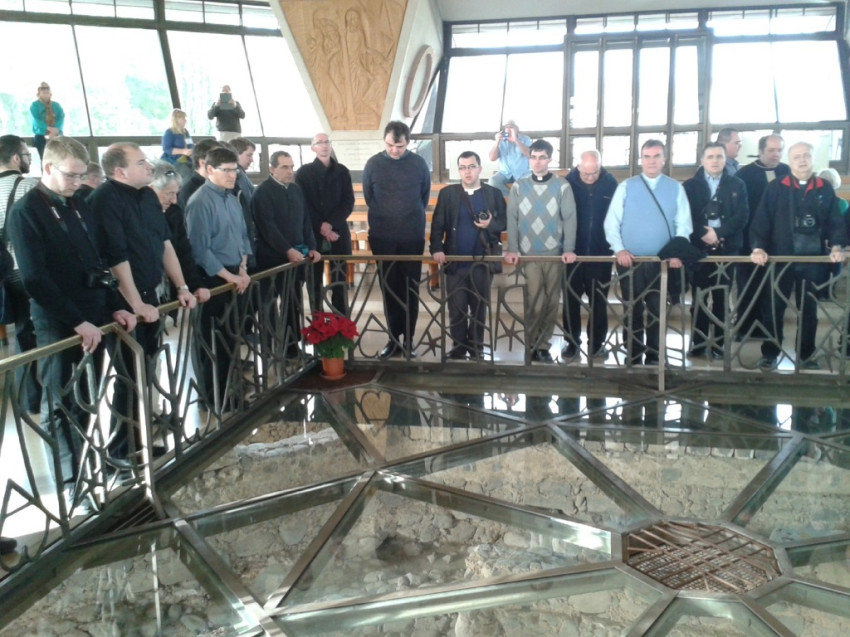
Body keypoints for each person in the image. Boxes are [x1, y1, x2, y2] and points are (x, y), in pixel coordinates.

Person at [6, 137, 136, 511]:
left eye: (82, 176)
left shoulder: (77, 202)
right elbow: (34, 278)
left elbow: (96, 261)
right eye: (71, 176)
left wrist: (117, 306)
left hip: (94, 314)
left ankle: (92, 467)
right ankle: (71, 485)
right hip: (58, 321)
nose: (78, 183)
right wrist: (77, 320)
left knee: (87, 399)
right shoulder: (26, 211)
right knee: (60, 404)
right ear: (47, 168)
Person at [91, 143, 197, 464]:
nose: (149, 166)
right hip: (122, 303)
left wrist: (181, 286)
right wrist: (135, 303)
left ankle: (141, 440)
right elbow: (116, 257)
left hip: (151, 295)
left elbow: (165, 244)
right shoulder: (104, 200)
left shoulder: (149, 197)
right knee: (127, 377)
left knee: (146, 371)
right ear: (119, 171)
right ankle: (120, 450)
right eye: (140, 163)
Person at [749, 141, 846, 370]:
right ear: (789, 161)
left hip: (812, 260)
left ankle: (806, 355)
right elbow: (762, 218)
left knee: (809, 309)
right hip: (780, 258)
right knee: (773, 307)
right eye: (797, 157)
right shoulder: (776, 187)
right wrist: (758, 247)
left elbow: (835, 221)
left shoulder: (824, 188)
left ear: (813, 159)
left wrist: (837, 246)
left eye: (806, 156)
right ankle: (770, 354)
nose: (802, 160)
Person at [603, 139, 692, 365]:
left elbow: (683, 225)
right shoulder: (626, 187)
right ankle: (632, 353)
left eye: (656, 156)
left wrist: (677, 253)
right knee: (631, 309)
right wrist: (619, 249)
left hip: (661, 263)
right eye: (647, 156)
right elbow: (612, 222)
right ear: (641, 160)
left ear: (664, 159)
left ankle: (654, 354)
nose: (651, 161)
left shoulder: (676, 188)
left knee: (656, 310)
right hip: (629, 261)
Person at [185, 147, 252, 409]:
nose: (233, 175)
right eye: (227, 170)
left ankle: (229, 393)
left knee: (231, 339)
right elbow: (200, 250)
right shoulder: (200, 202)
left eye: (235, 170)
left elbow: (243, 236)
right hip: (213, 278)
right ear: (210, 169)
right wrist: (229, 277)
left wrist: (242, 269)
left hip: (235, 274)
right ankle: (213, 399)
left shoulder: (231, 199)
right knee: (213, 342)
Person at [362, 121, 431, 359]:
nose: (394, 150)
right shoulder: (373, 164)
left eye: (400, 146)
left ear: (408, 143)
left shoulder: (418, 164)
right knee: (389, 288)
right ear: (384, 141)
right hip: (383, 237)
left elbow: (423, 197)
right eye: (390, 145)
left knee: (410, 288)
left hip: (412, 236)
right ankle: (393, 339)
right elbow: (370, 197)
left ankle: (409, 340)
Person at [504, 139, 577, 363]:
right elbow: (512, 218)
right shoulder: (519, 186)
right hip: (529, 254)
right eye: (533, 157)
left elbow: (570, 218)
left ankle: (543, 346)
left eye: (542, 157)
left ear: (550, 159)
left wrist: (568, 248)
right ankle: (532, 343)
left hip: (554, 253)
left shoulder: (562, 186)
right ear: (529, 159)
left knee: (552, 302)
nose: (537, 162)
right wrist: (513, 248)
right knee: (535, 302)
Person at [430, 150, 506, 360]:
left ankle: (476, 347)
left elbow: (504, 222)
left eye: (471, 167)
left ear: (480, 169)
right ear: (459, 171)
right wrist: (436, 248)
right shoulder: (448, 194)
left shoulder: (493, 194)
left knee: (479, 307)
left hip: (482, 260)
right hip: (455, 260)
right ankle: (458, 347)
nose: (467, 172)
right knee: (457, 307)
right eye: (463, 168)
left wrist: (490, 224)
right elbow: (437, 224)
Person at [683, 142, 749, 359]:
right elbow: (684, 216)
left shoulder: (737, 184)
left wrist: (719, 232)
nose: (714, 161)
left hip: (726, 248)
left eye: (719, 156)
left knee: (722, 299)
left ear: (725, 160)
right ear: (702, 160)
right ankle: (699, 343)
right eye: (710, 157)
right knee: (699, 299)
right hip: (699, 249)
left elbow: (742, 216)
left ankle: (720, 345)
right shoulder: (690, 186)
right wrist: (703, 232)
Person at [252, 151, 321, 357]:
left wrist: (312, 246)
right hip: (272, 260)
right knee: (269, 306)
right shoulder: (262, 193)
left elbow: (306, 221)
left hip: (296, 258)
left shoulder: (296, 189)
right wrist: (287, 250)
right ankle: (270, 350)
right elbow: (267, 228)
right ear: (272, 169)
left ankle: (292, 348)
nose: (290, 171)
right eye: (284, 167)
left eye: (291, 167)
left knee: (293, 303)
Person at [562, 149, 618, 360]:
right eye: (586, 173)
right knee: (570, 301)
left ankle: (596, 344)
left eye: (594, 173)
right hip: (572, 254)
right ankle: (571, 343)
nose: (590, 177)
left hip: (600, 254)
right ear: (578, 167)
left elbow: (617, 216)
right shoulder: (567, 184)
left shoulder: (611, 184)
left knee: (599, 302)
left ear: (600, 167)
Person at [735, 134, 790, 340]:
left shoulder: (787, 172)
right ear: (760, 151)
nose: (776, 154)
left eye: (779, 150)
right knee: (748, 286)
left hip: (779, 242)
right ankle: (745, 328)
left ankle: (769, 331)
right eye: (771, 150)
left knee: (773, 290)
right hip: (750, 241)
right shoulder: (745, 174)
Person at [0, 135, 40, 412]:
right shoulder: (28, 186)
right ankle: (40, 398)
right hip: (23, 268)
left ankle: (27, 399)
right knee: (33, 331)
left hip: (2, 273)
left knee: (20, 333)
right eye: (27, 155)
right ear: (16, 158)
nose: (28, 160)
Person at [295, 132, 354, 315]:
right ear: (313, 148)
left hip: (338, 231)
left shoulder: (342, 171)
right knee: (314, 280)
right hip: (313, 232)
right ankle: (318, 321)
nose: (324, 145)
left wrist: (330, 223)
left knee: (339, 280)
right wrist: (322, 226)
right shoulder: (304, 172)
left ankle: (340, 320)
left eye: (327, 142)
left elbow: (348, 202)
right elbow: (303, 204)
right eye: (319, 142)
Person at [149, 161, 210, 305]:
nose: (174, 200)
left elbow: (183, 251)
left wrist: (195, 284)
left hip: (170, 287)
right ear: (151, 189)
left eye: (176, 194)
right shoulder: (137, 215)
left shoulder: (173, 212)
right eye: (169, 193)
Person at [487, 120, 531, 197]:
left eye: (511, 127)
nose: (508, 129)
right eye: (507, 127)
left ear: (517, 129)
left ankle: (516, 200)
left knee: (530, 183)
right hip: (504, 173)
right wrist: (497, 141)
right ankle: (511, 199)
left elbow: (529, 154)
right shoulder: (501, 140)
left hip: (522, 173)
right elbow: (492, 158)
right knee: (492, 181)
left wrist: (516, 140)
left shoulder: (525, 139)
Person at [177, 138, 222, 211]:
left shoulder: (219, 186)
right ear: (202, 162)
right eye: (217, 159)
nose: (222, 163)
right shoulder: (189, 192)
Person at [30, 82, 64, 162]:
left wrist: (55, 130)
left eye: (47, 88)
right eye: (43, 89)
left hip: (56, 134)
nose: (45, 90)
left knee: (60, 158)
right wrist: (48, 128)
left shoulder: (56, 105)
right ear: (39, 92)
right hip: (41, 135)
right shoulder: (34, 105)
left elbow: (61, 118)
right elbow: (35, 120)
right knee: (44, 159)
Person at [161, 109, 193, 181]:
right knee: (186, 173)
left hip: (187, 159)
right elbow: (166, 149)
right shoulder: (169, 132)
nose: (185, 120)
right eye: (183, 118)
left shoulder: (185, 132)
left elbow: (190, 145)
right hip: (173, 160)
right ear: (176, 120)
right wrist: (183, 151)